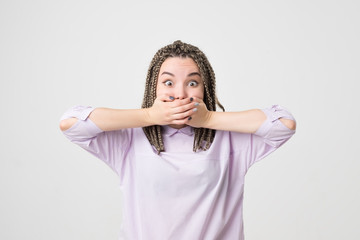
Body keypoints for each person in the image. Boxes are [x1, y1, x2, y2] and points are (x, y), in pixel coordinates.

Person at [59, 40, 296, 240]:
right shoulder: (129, 139)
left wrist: (209, 119)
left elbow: (284, 124)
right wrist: (149, 115)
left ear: (206, 89)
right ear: (154, 88)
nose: (180, 93)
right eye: (168, 82)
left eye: (192, 83)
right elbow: (71, 123)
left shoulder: (231, 140)